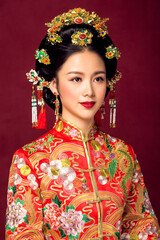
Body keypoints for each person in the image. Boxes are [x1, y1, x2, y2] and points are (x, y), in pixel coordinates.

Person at [5, 8, 159, 240]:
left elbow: (143, 228)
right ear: (53, 85)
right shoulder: (31, 160)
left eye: (98, 78)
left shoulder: (123, 154)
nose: (89, 91)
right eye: (76, 79)